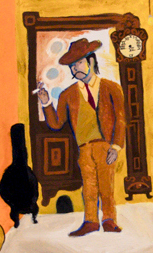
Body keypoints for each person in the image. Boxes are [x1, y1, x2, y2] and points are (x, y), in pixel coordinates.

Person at [38, 37, 126, 237]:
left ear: (91, 61)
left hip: (105, 146)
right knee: (89, 187)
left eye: (78, 63)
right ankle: (91, 221)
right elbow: (56, 124)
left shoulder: (111, 88)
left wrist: (116, 147)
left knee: (107, 186)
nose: (74, 69)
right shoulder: (67, 94)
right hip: (84, 147)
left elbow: (121, 120)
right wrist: (46, 103)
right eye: (72, 66)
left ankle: (109, 220)